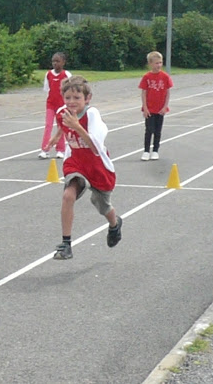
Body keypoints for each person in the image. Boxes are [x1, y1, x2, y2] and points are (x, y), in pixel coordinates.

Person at [46, 76, 122, 260]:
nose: (72, 102)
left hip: (96, 164)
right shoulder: (62, 113)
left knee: (103, 206)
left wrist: (78, 127)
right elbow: (65, 125)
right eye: (68, 98)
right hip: (76, 160)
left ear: (87, 99)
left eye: (77, 98)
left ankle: (114, 224)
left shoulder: (92, 115)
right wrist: (57, 136)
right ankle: (66, 244)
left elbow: (95, 147)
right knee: (67, 195)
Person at [139, 51, 172, 161]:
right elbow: (144, 92)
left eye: (160, 63)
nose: (159, 65)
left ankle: (155, 150)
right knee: (149, 130)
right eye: (156, 63)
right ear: (150, 64)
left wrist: (164, 107)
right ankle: (146, 151)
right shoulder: (146, 77)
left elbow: (167, 92)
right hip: (150, 109)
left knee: (158, 130)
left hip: (160, 109)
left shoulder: (165, 77)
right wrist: (145, 107)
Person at [39, 52, 71, 159]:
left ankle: (60, 149)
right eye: (53, 61)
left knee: (60, 126)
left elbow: (70, 90)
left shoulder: (67, 75)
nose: (55, 63)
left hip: (62, 106)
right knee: (48, 125)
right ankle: (45, 149)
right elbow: (47, 89)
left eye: (58, 61)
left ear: (63, 62)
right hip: (51, 104)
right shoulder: (48, 74)